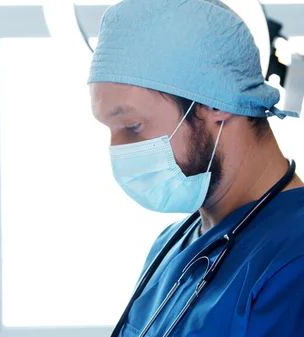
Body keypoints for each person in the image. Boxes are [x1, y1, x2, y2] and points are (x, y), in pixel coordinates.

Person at [88, 0, 304, 336]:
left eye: (132, 127)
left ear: (216, 102)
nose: (118, 150)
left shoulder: (294, 260)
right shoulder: (171, 245)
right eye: (109, 130)